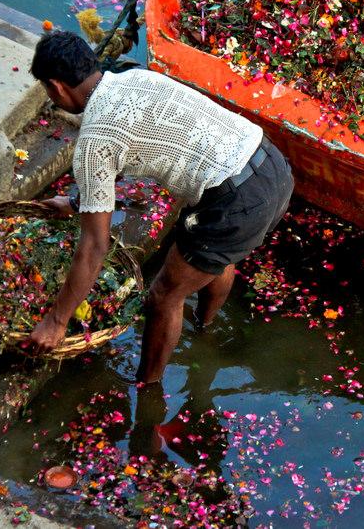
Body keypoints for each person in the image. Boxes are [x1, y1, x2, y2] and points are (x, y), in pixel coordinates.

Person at [25, 31, 294, 383]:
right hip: (272, 166)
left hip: (235, 201)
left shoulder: (94, 140)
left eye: (49, 91)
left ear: (56, 87)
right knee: (215, 255)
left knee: (164, 296)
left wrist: (56, 321)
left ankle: (148, 390)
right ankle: (206, 328)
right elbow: (125, 152)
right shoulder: (136, 77)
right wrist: (76, 202)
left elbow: (94, 247)